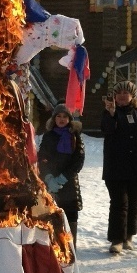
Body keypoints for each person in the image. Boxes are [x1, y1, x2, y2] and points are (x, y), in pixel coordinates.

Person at [101, 80, 137, 254]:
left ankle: (129, 236)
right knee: (118, 203)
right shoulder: (109, 114)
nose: (123, 96)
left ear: (132, 96)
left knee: (133, 204)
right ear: (115, 97)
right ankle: (116, 239)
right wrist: (111, 114)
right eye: (119, 93)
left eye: (126, 93)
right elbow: (107, 131)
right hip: (115, 168)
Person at [37, 104, 86, 250]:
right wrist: (49, 177)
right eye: (58, 116)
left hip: (69, 183)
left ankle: (71, 247)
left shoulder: (74, 137)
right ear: (54, 119)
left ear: (69, 119)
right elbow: (42, 158)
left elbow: (79, 160)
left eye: (65, 116)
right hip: (51, 183)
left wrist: (63, 178)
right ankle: (54, 247)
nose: (61, 119)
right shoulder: (48, 135)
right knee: (53, 214)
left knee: (71, 214)